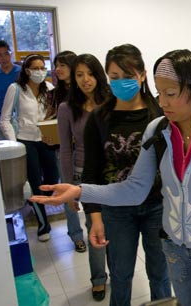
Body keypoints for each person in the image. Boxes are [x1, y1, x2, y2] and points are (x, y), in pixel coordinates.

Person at [30, 49, 191, 306]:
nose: (163, 102)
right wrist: (81, 191)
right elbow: (135, 188)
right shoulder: (158, 129)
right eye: (160, 93)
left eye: (170, 94)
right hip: (175, 249)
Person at [80, 44, 171, 306]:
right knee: (120, 276)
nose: (121, 82)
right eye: (114, 77)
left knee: (160, 274)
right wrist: (94, 216)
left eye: (128, 76)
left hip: (157, 206)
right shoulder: (99, 118)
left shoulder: (160, 115)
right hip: (116, 209)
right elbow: (91, 172)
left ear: (142, 75)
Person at [58, 53, 110, 300]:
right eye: (79, 75)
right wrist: (68, 186)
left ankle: (119, 274)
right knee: (94, 227)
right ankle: (98, 279)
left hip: (111, 176)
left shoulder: (112, 102)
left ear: (98, 76)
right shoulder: (67, 108)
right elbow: (65, 149)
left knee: (115, 228)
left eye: (90, 74)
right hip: (83, 175)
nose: (85, 80)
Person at [0, 54, 57, 242]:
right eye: (36, 68)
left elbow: (56, 114)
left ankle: (38, 200)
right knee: (35, 182)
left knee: (51, 178)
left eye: (43, 67)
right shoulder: (16, 89)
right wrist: (14, 143)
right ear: (27, 70)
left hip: (46, 140)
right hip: (26, 141)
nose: (40, 71)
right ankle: (43, 225)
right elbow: (5, 119)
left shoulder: (49, 88)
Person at [51, 50, 88, 253]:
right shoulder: (55, 94)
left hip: (83, 154)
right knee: (67, 191)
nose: (58, 69)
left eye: (63, 65)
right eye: (56, 65)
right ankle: (76, 236)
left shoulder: (86, 93)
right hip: (62, 150)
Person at [0, 40, 21, 133]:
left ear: (10, 54)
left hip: (22, 114)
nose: (3, 58)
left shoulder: (21, 72)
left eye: (6, 53)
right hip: (4, 115)